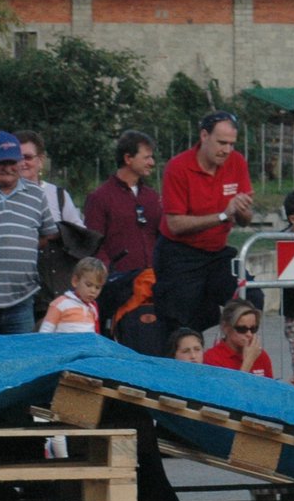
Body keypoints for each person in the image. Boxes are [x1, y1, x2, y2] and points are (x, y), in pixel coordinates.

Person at [154, 110, 255, 334]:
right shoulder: (178, 167)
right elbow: (175, 224)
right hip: (180, 255)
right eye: (221, 143)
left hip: (216, 253)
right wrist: (223, 215)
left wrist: (242, 209)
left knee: (251, 295)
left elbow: (245, 219)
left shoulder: (237, 162)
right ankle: (181, 361)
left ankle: (230, 353)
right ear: (204, 136)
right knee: (182, 323)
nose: (227, 150)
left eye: (231, 144)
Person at [0, 131, 56, 335]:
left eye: (12, 162)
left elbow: (47, 235)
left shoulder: (36, 194)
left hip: (22, 300)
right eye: (1, 162)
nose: (7, 168)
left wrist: (19, 245)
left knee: (21, 361)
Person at [84, 130, 163, 276]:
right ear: (128, 158)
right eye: (147, 157)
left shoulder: (152, 197)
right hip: (119, 284)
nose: (151, 163)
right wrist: (109, 273)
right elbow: (93, 245)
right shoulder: (100, 198)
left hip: (153, 282)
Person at [14, 130, 84, 225]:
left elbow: (78, 233)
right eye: (17, 157)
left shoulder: (58, 196)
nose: (22, 162)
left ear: (41, 160)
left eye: (28, 157)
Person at [202, 299, 274, 377]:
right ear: (226, 327)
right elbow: (229, 389)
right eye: (242, 329)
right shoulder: (212, 358)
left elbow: (271, 388)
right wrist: (248, 362)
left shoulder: (261, 356)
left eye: (253, 329)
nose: (249, 334)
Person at [37, 256, 105, 334]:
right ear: (75, 281)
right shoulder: (60, 303)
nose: (93, 291)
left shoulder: (93, 307)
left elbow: (95, 334)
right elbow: (45, 331)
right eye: (88, 285)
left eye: (98, 287)